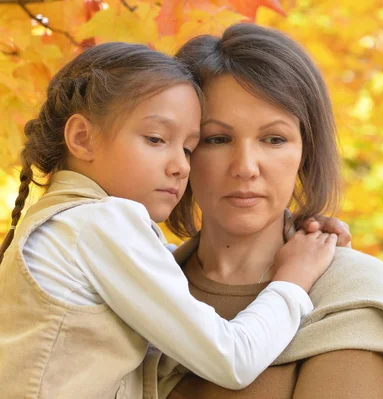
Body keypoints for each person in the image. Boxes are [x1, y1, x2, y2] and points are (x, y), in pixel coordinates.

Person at [0, 42, 350, 399]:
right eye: (155, 139)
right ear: (82, 138)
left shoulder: (65, 223)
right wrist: (294, 279)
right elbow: (233, 360)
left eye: (188, 148)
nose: (181, 165)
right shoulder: (101, 223)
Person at [154, 24, 383, 399]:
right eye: (217, 139)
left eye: (274, 139)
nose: (246, 167)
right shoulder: (141, 279)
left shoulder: (345, 292)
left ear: (305, 152)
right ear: (183, 151)